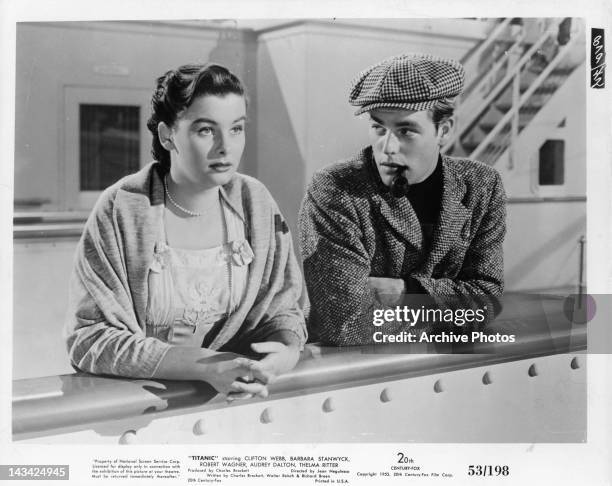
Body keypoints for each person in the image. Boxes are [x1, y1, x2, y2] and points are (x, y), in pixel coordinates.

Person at [64, 63, 307, 400]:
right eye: (206, 130)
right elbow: (89, 339)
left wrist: (286, 348)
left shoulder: (256, 202)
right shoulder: (120, 208)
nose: (226, 147)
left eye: (236, 129)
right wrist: (202, 365)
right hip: (138, 407)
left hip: (239, 403)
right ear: (167, 135)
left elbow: (284, 307)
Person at [299, 54, 506, 345]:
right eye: (379, 128)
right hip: (349, 371)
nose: (388, 148)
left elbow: (487, 302)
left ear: (444, 130)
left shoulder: (482, 186)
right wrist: (453, 305)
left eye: (406, 130)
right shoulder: (335, 188)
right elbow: (346, 324)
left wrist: (403, 292)